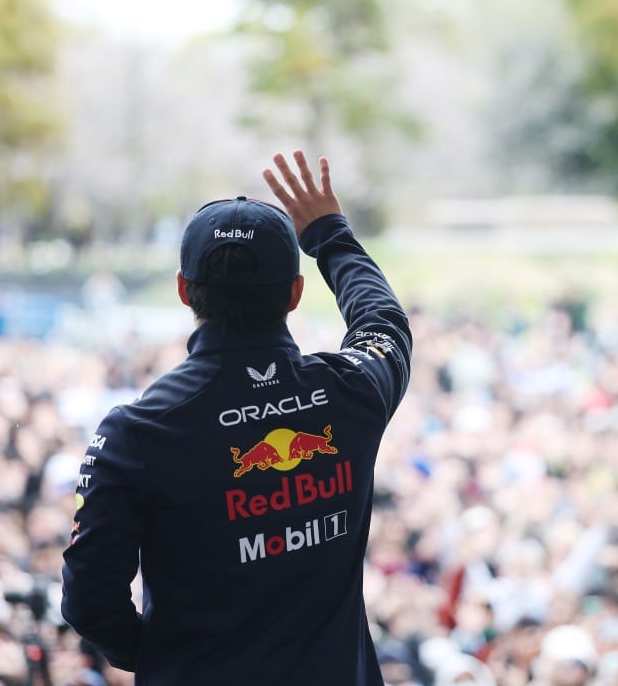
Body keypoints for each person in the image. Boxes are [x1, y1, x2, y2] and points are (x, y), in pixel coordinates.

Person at [60, 151, 412, 685]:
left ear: (183, 290)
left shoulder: (136, 432)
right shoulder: (351, 392)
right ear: (295, 293)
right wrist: (329, 234)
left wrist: (161, 654)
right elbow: (384, 324)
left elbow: (89, 601)